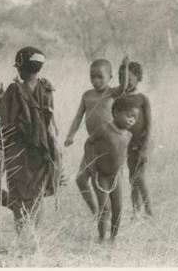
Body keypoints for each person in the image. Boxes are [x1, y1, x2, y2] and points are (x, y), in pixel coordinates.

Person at [0, 46, 62, 234]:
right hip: (42, 149)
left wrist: (1, 97)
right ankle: (34, 235)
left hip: (19, 152)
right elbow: (51, 122)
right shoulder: (47, 88)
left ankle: (22, 235)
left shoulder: (14, 90)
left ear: (20, 68)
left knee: (19, 193)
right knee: (37, 193)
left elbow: (1, 118)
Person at [64, 57, 129, 215]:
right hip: (93, 145)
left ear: (110, 77)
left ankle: (110, 214)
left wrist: (125, 68)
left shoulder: (112, 93)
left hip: (111, 146)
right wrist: (71, 135)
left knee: (108, 181)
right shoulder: (87, 95)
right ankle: (96, 212)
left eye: (100, 77)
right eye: (92, 76)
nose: (96, 80)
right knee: (80, 179)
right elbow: (79, 116)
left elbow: (124, 87)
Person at [85, 97, 139, 243]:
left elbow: (123, 154)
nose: (131, 120)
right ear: (116, 113)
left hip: (116, 177)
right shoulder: (104, 129)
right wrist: (91, 164)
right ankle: (101, 238)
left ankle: (113, 238)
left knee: (118, 208)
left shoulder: (128, 135)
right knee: (105, 209)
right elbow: (89, 142)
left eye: (134, 118)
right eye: (129, 116)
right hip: (101, 176)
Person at [118, 61, 153, 218]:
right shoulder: (120, 97)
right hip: (127, 143)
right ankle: (136, 211)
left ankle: (149, 211)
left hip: (142, 142)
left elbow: (149, 123)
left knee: (139, 177)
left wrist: (145, 146)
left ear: (138, 78)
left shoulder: (142, 99)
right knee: (132, 177)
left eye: (129, 78)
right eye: (121, 78)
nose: (124, 82)